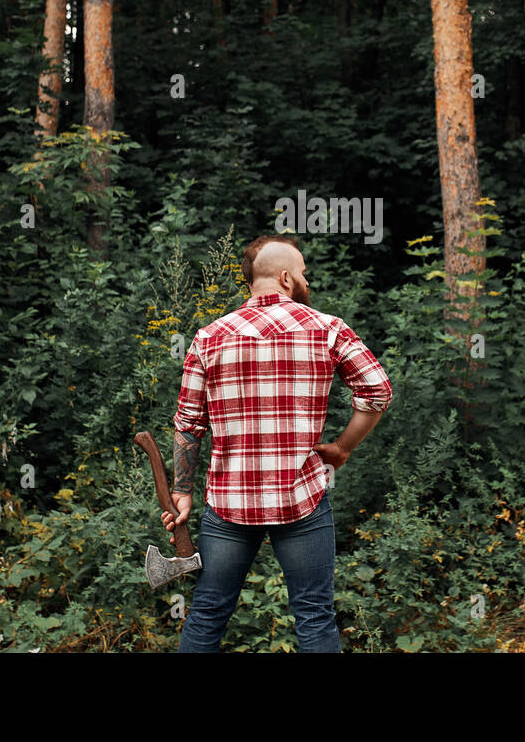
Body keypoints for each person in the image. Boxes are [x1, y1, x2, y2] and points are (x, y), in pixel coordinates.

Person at [165, 234, 392, 652]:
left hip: (229, 505)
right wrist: (342, 449)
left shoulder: (208, 338)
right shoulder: (327, 329)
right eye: (303, 273)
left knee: (209, 612)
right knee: (314, 615)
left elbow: (188, 424)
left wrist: (181, 490)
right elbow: (377, 391)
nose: (307, 281)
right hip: (301, 499)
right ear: (286, 277)